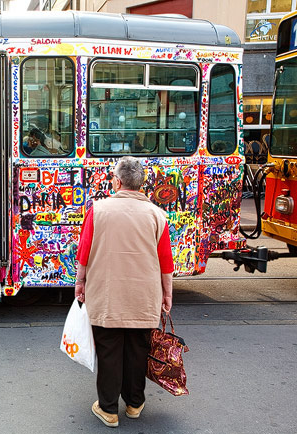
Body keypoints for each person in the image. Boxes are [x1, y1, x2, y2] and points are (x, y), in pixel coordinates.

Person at [74, 156, 173, 428]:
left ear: (117, 181)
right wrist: (167, 294)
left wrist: (80, 282)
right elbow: (165, 260)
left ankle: (108, 409)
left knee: (108, 349)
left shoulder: (98, 210)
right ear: (141, 184)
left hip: (107, 295)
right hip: (144, 296)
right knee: (138, 349)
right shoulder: (157, 214)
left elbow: (84, 252)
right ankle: (134, 404)